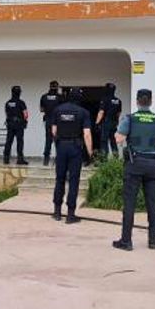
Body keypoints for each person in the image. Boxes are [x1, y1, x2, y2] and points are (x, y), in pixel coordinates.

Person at [112, 89, 155, 251]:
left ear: (137, 101)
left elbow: (119, 138)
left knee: (130, 203)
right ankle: (152, 241)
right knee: (152, 203)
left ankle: (126, 241)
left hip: (134, 163)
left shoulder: (130, 118)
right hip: (152, 165)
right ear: (150, 102)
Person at [50, 87, 94, 223]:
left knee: (60, 179)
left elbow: (53, 130)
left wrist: (60, 141)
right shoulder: (83, 112)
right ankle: (70, 215)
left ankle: (57, 212)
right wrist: (90, 152)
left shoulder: (58, 110)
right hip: (75, 148)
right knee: (74, 181)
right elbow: (87, 134)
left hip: (61, 146)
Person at [4, 85, 29, 165]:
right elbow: (25, 115)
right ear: (19, 93)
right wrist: (24, 121)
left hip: (10, 124)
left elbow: (7, 114)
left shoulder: (8, 103)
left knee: (9, 141)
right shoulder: (21, 102)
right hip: (19, 124)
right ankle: (20, 159)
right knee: (19, 142)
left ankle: (6, 158)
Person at [39, 80, 62, 166]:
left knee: (48, 140)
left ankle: (46, 160)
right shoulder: (60, 97)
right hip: (58, 121)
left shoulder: (44, 97)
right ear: (56, 87)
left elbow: (41, 109)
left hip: (48, 120)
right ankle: (58, 159)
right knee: (58, 140)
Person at [95, 82, 122, 157]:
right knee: (113, 141)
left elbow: (101, 112)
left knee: (104, 141)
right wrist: (116, 122)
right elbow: (119, 113)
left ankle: (104, 160)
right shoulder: (118, 101)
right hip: (114, 123)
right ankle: (116, 159)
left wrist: (97, 123)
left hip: (106, 123)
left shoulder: (105, 99)